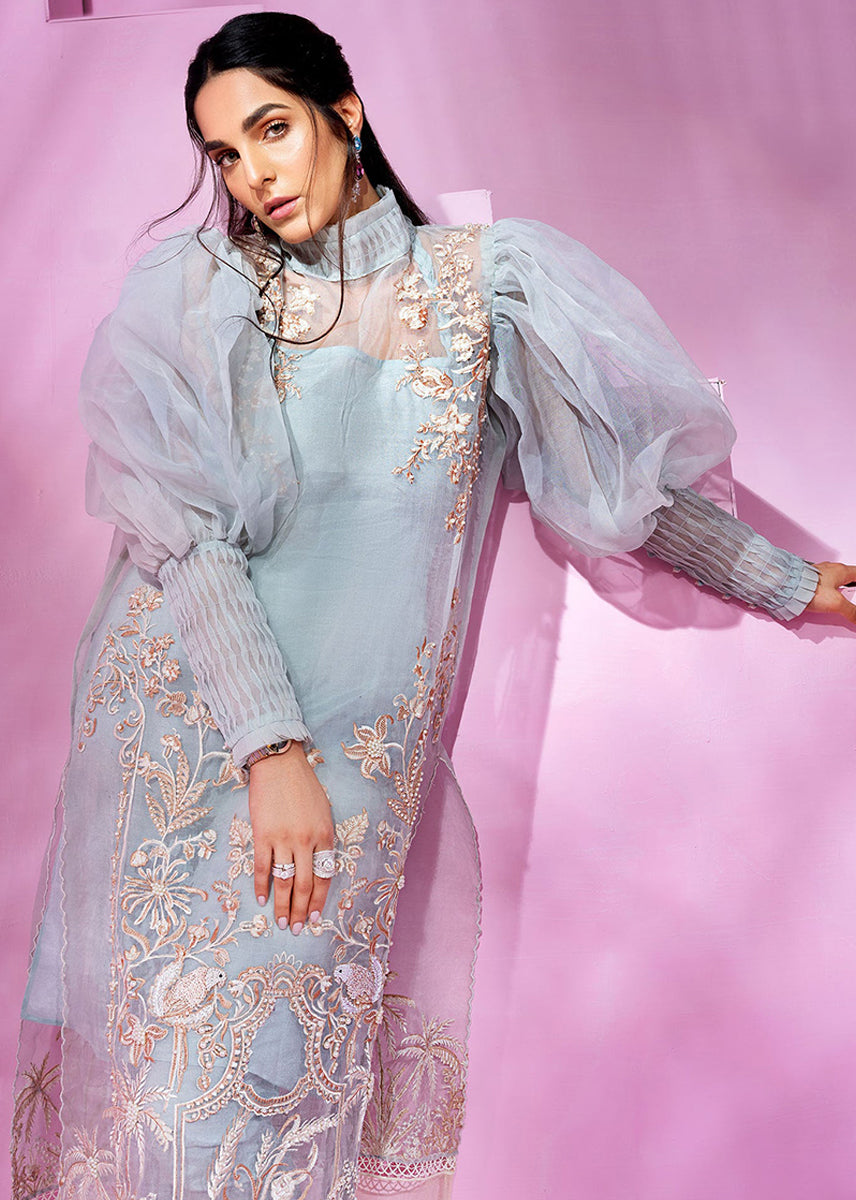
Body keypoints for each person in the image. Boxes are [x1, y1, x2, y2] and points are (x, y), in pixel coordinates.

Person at [11, 11, 855, 1200]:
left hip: (351, 755)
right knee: (162, 1105)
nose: (252, 176)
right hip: (196, 733)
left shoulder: (486, 289)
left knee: (278, 1102)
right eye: (225, 155)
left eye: (271, 130)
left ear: (343, 114)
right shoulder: (201, 292)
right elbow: (183, 538)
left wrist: (784, 578)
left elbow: (606, 491)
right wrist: (270, 747)